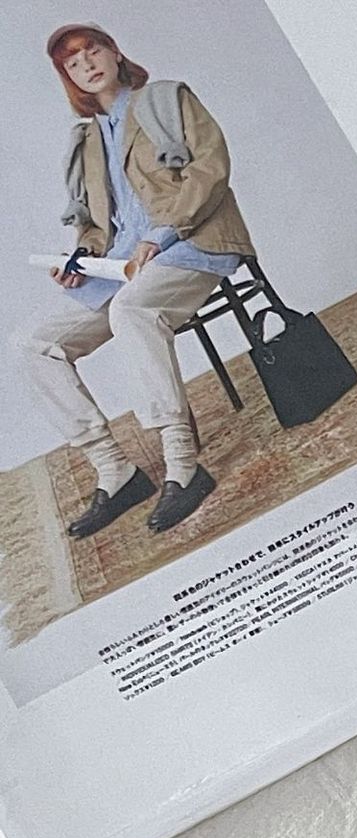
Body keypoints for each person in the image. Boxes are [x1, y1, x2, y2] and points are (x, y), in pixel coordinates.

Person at [16, 25, 254, 539]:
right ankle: (115, 470)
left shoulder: (166, 99)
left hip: (192, 242)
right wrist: (80, 259)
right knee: (32, 344)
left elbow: (211, 169)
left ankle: (183, 464)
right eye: (73, 63)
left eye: (93, 51)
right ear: (68, 77)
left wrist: (161, 235)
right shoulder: (85, 139)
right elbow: (97, 224)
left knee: (131, 311)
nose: (87, 65)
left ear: (115, 52)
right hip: (123, 264)